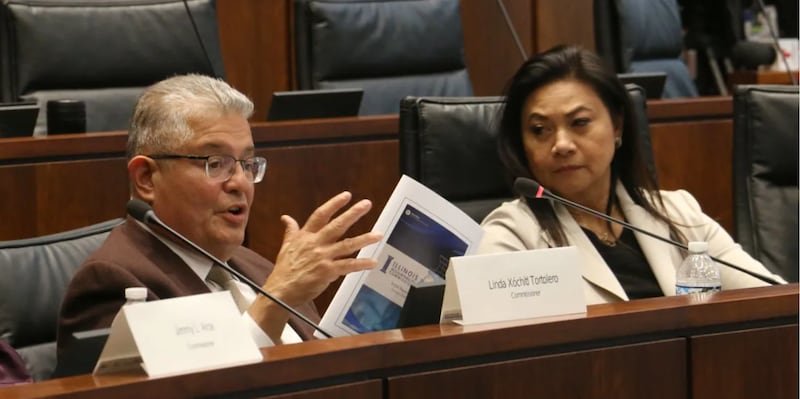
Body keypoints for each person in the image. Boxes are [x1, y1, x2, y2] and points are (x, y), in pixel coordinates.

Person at [57, 74, 382, 351]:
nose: (241, 182)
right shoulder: (114, 284)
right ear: (146, 179)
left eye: (247, 163)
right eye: (216, 164)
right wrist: (275, 299)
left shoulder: (256, 265)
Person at [477, 45, 784, 304]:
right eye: (540, 130)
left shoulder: (679, 214)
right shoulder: (510, 236)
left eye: (579, 122)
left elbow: (773, 304)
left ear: (617, 126)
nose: (561, 144)